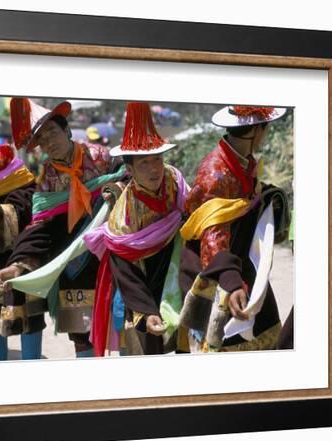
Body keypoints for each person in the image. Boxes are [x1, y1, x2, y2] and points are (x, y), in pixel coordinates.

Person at [0, 100, 127, 358]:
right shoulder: (46, 178)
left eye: (53, 132)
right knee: (80, 330)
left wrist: (114, 191)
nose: (49, 142)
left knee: (118, 319)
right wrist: (18, 264)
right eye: (42, 140)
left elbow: (126, 176)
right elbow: (39, 225)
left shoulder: (101, 157)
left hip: (107, 252)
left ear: (67, 131)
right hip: (71, 259)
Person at [83, 102, 193, 356]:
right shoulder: (123, 216)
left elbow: (190, 217)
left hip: (175, 275)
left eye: (158, 159)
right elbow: (123, 265)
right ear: (130, 170)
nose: (155, 168)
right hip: (140, 285)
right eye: (144, 163)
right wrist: (147, 309)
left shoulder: (174, 179)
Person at [179, 105, 290, 352]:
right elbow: (213, 235)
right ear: (257, 131)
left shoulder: (243, 161)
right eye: (266, 129)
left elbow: (243, 204)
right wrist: (231, 283)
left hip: (241, 264)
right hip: (218, 269)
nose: (267, 134)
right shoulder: (215, 172)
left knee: (267, 335)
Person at [0, 140, 37, 360]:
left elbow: (18, 212)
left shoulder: (23, 185)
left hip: (23, 262)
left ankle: (32, 363)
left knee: (31, 319)